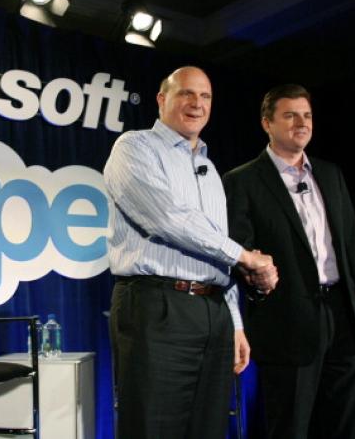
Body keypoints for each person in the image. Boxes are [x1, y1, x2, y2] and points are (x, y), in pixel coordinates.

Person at [104, 66, 276, 439]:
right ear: (162, 99)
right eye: (186, 94)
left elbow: (216, 248)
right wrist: (246, 256)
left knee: (210, 428)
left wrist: (236, 323)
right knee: (151, 428)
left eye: (206, 96)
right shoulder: (135, 147)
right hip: (157, 306)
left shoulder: (210, 170)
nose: (197, 104)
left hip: (211, 313)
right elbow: (166, 218)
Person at [222, 84, 355, 439]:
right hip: (287, 324)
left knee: (352, 426)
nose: (301, 123)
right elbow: (240, 252)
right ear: (267, 123)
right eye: (290, 115)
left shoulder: (330, 174)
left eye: (307, 115)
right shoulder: (243, 180)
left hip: (345, 316)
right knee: (291, 428)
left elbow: (353, 248)